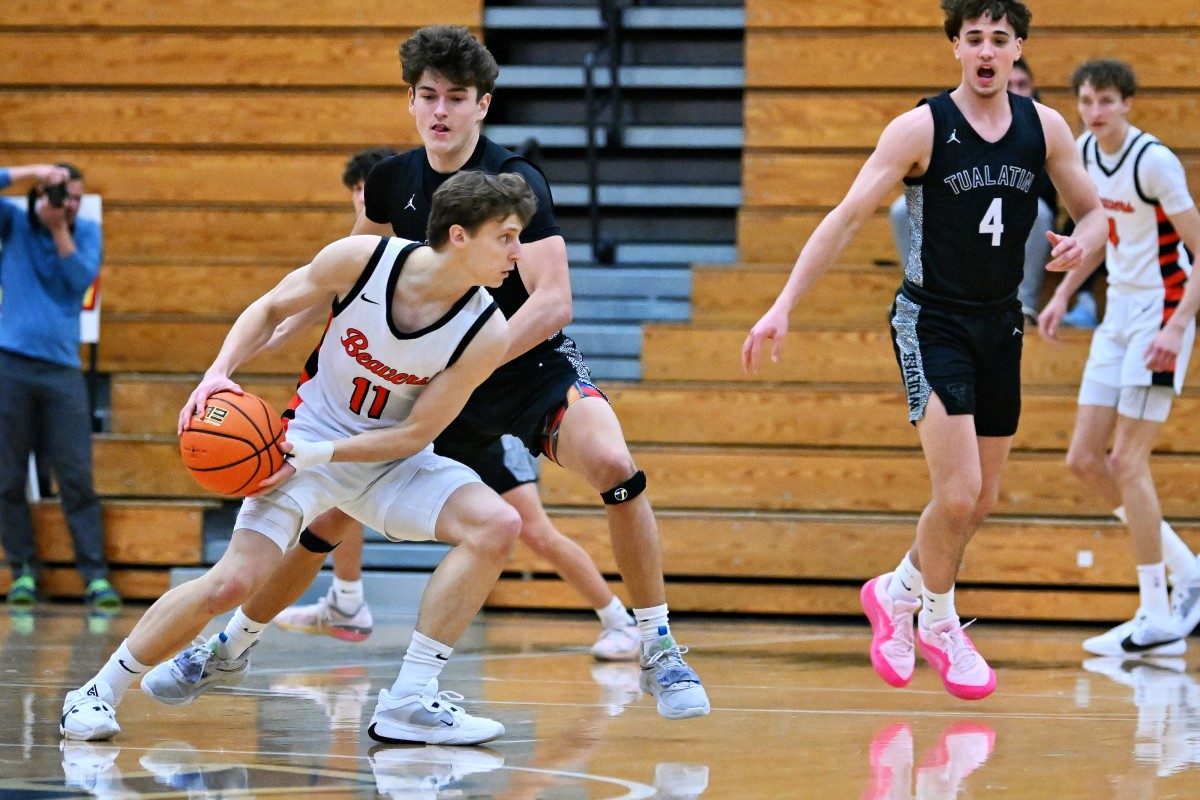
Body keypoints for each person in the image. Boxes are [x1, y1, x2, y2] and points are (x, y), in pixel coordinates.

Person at [150, 25, 707, 721]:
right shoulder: (392, 182)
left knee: (611, 460)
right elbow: (344, 282)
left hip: (515, 363)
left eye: (457, 97)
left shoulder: (515, 180)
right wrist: (250, 352)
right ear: (412, 101)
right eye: (428, 96)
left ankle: (658, 644)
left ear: (483, 106)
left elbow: (555, 300)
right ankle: (232, 645)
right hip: (424, 379)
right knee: (324, 514)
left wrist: (465, 365)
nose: (441, 110)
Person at [60, 170, 536, 744]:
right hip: (302, 437)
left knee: (497, 524)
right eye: (506, 237)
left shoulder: (486, 330)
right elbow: (267, 309)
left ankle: (410, 700)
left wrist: (325, 455)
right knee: (229, 584)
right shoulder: (362, 260)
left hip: (383, 461)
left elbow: (415, 434)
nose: (517, 252)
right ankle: (97, 691)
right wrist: (216, 375)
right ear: (459, 235)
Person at [743, 0, 1106, 700]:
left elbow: (1092, 211)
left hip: (1003, 322)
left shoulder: (1045, 128)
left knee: (981, 500)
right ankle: (939, 617)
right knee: (959, 490)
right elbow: (847, 216)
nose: (987, 51)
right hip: (931, 320)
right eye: (974, 38)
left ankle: (897, 587)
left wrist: (1087, 239)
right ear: (956, 48)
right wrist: (784, 304)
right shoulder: (921, 128)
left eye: (1000, 38)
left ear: (1019, 46)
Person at [274, 141, 642, 663]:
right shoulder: (379, 258)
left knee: (531, 528)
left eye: (365, 194)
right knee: (337, 505)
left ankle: (617, 619)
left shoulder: (470, 276)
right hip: (446, 403)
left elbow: (552, 302)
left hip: (497, 393)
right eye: (356, 197)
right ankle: (341, 602)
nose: (363, 205)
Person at [1038, 59, 1200, 656]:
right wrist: (1062, 293)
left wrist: (1179, 327)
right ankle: (1189, 574)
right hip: (1118, 314)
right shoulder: (1082, 151)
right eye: (1086, 100)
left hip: (1163, 310)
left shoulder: (1153, 162)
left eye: (1106, 101)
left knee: (1128, 460)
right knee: (1084, 459)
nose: (1095, 111)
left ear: (1128, 104)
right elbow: (1100, 229)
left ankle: (1158, 613)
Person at [0, 163, 120, 609]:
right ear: (37, 194)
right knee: (8, 478)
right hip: (9, 365)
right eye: (58, 194)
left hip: (62, 372)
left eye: (73, 197)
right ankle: (23, 572)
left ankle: (94, 577)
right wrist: (31, 171)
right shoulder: (12, 224)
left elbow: (77, 282)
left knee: (76, 477)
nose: (67, 204)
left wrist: (58, 231)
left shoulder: (84, 231)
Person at [889, 57, 1058, 323]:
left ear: (1033, 91)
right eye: (1010, 83)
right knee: (901, 209)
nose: (1016, 89)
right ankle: (917, 295)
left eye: (1022, 84)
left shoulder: (1043, 126)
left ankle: (1023, 305)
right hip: (960, 211)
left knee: (1042, 212)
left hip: (1011, 222)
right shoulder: (960, 120)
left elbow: (1051, 193)